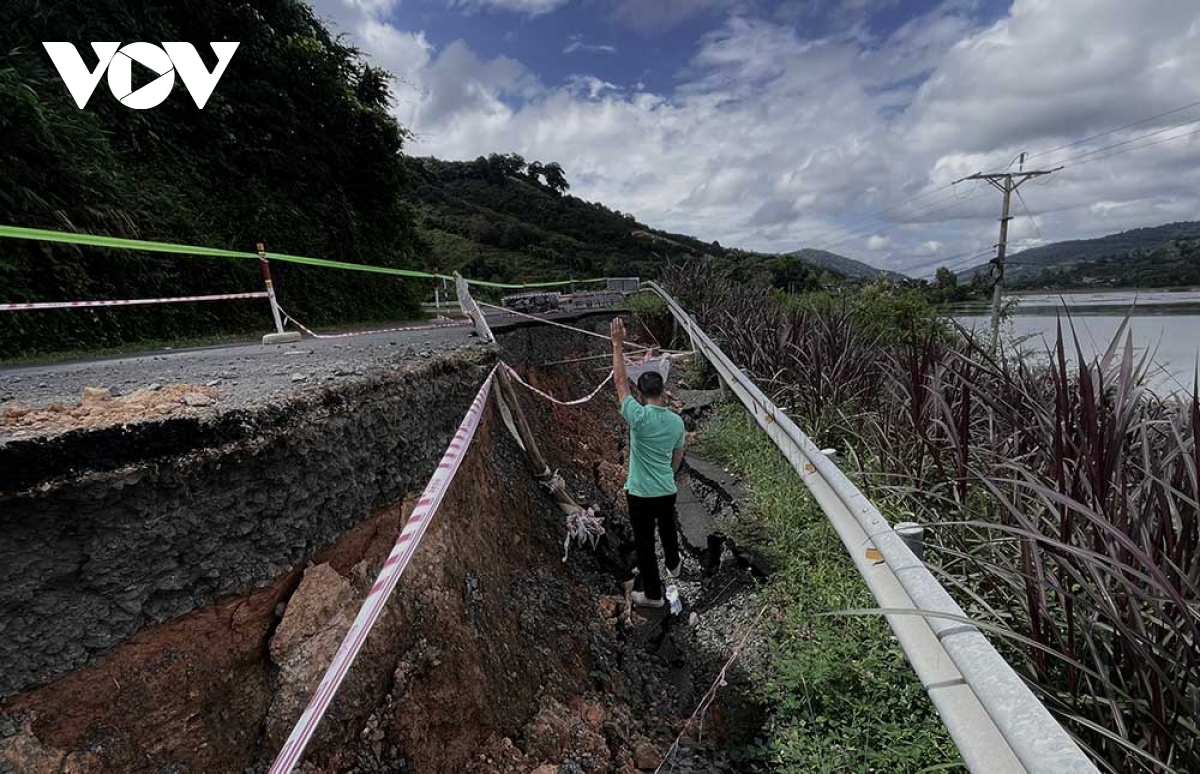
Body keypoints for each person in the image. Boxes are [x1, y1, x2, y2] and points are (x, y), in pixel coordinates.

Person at [610, 317, 686, 608]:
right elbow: (678, 455)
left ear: (640, 395)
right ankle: (675, 565)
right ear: (663, 391)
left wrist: (617, 344)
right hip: (666, 489)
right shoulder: (676, 421)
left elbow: (619, 381)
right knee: (668, 529)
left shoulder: (638, 417)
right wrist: (670, 473)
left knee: (644, 542)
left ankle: (653, 595)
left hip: (641, 493)